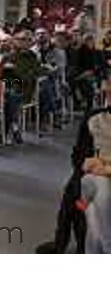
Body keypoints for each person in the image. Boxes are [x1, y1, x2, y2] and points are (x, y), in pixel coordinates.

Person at [36, 80, 111, 254]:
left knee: (98, 197)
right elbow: (78, 154)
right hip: (94, 172)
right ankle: (64, 241)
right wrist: (86, 165)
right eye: (107, 85)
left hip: (104, 173)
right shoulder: (94, 117)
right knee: (74, 191)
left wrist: (105, 168)